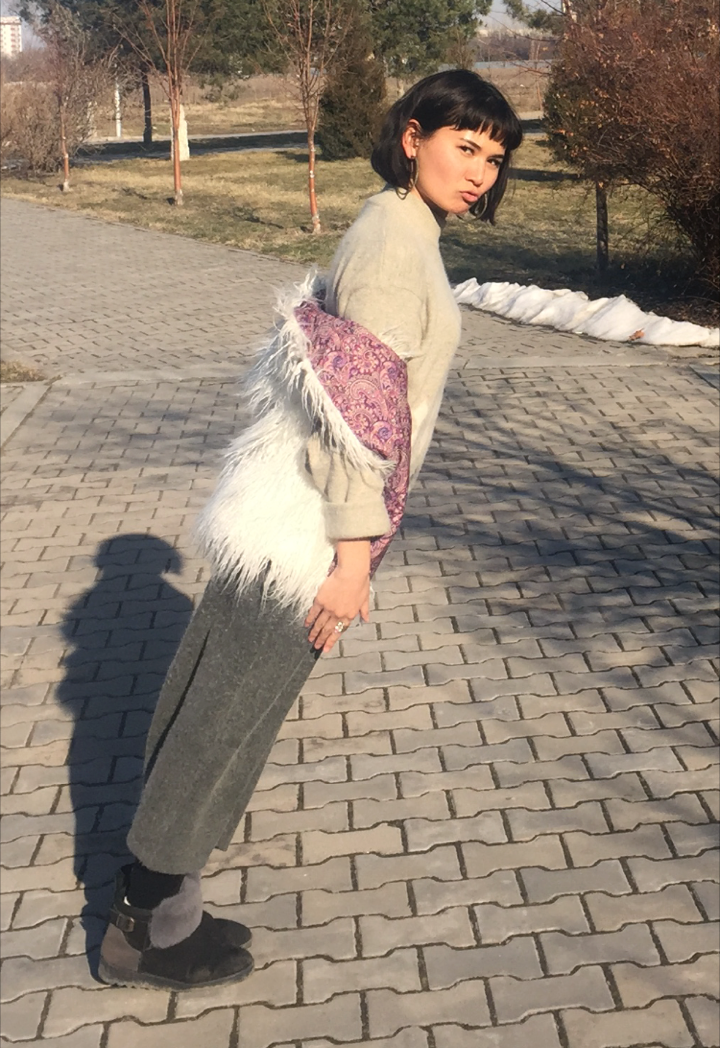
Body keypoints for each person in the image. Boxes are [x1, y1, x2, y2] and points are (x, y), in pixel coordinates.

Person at [98, 69, 523, 991]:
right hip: (311, 531)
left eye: (493, 158)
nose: (479, 171)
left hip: (299, 518)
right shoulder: (391, 244)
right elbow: (352, 422)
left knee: (221, 715)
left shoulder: (401, 227)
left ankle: (169, 908)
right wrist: (351, 560)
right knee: (220, 724)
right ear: (412, 137)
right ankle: (142, 931)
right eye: (464, 147)